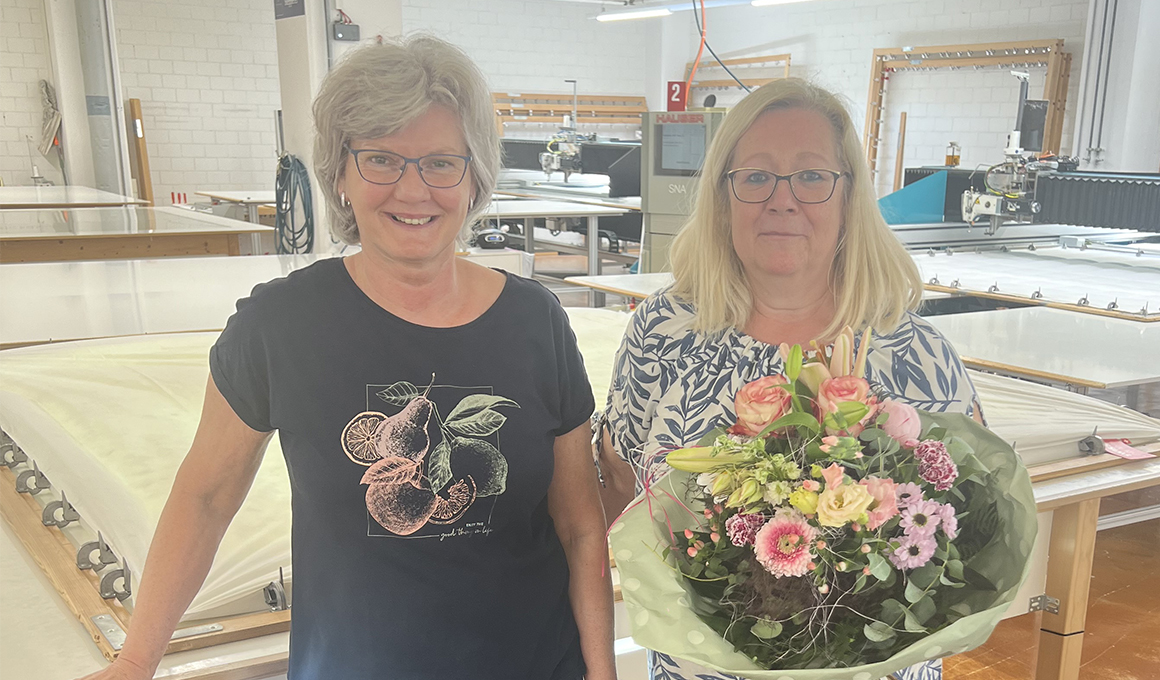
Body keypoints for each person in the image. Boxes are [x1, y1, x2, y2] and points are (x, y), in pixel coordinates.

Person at [81, 36, 614, 680]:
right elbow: (206, 496)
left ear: (474, 177)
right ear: (339, 172)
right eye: (382, 159)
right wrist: (136, 660)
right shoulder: (280, 324)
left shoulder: (537, 322)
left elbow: (580, 524)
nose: (413, 190)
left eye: (442, 162)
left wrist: (601, 672)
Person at [595, 79, 982, 680]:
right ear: (723, 196)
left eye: (810, 176)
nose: (782, 199)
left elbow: (965, 524)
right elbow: (620, 483)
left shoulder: (917, 353)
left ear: (848, 194)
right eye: (754, 176)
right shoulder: (666, 329)